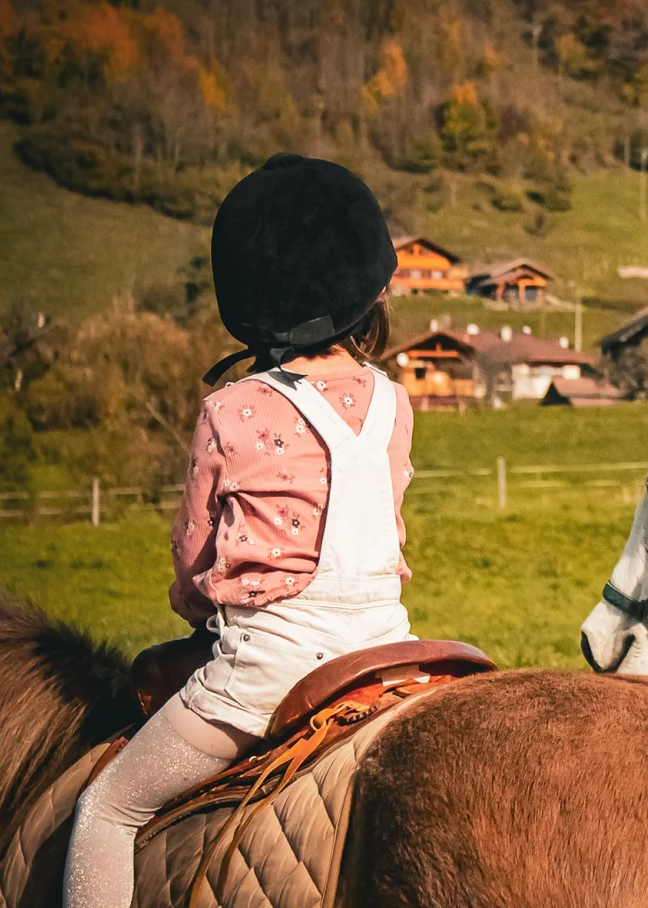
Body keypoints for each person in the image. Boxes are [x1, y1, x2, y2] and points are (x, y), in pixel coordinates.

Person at [65, 154, 416, 908]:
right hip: (387, 654)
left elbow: (196, 568)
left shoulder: (231, 409)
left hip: (268, 679)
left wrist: (197, 611)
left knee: (105, 810)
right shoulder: (394, 400)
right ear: (369, 290)